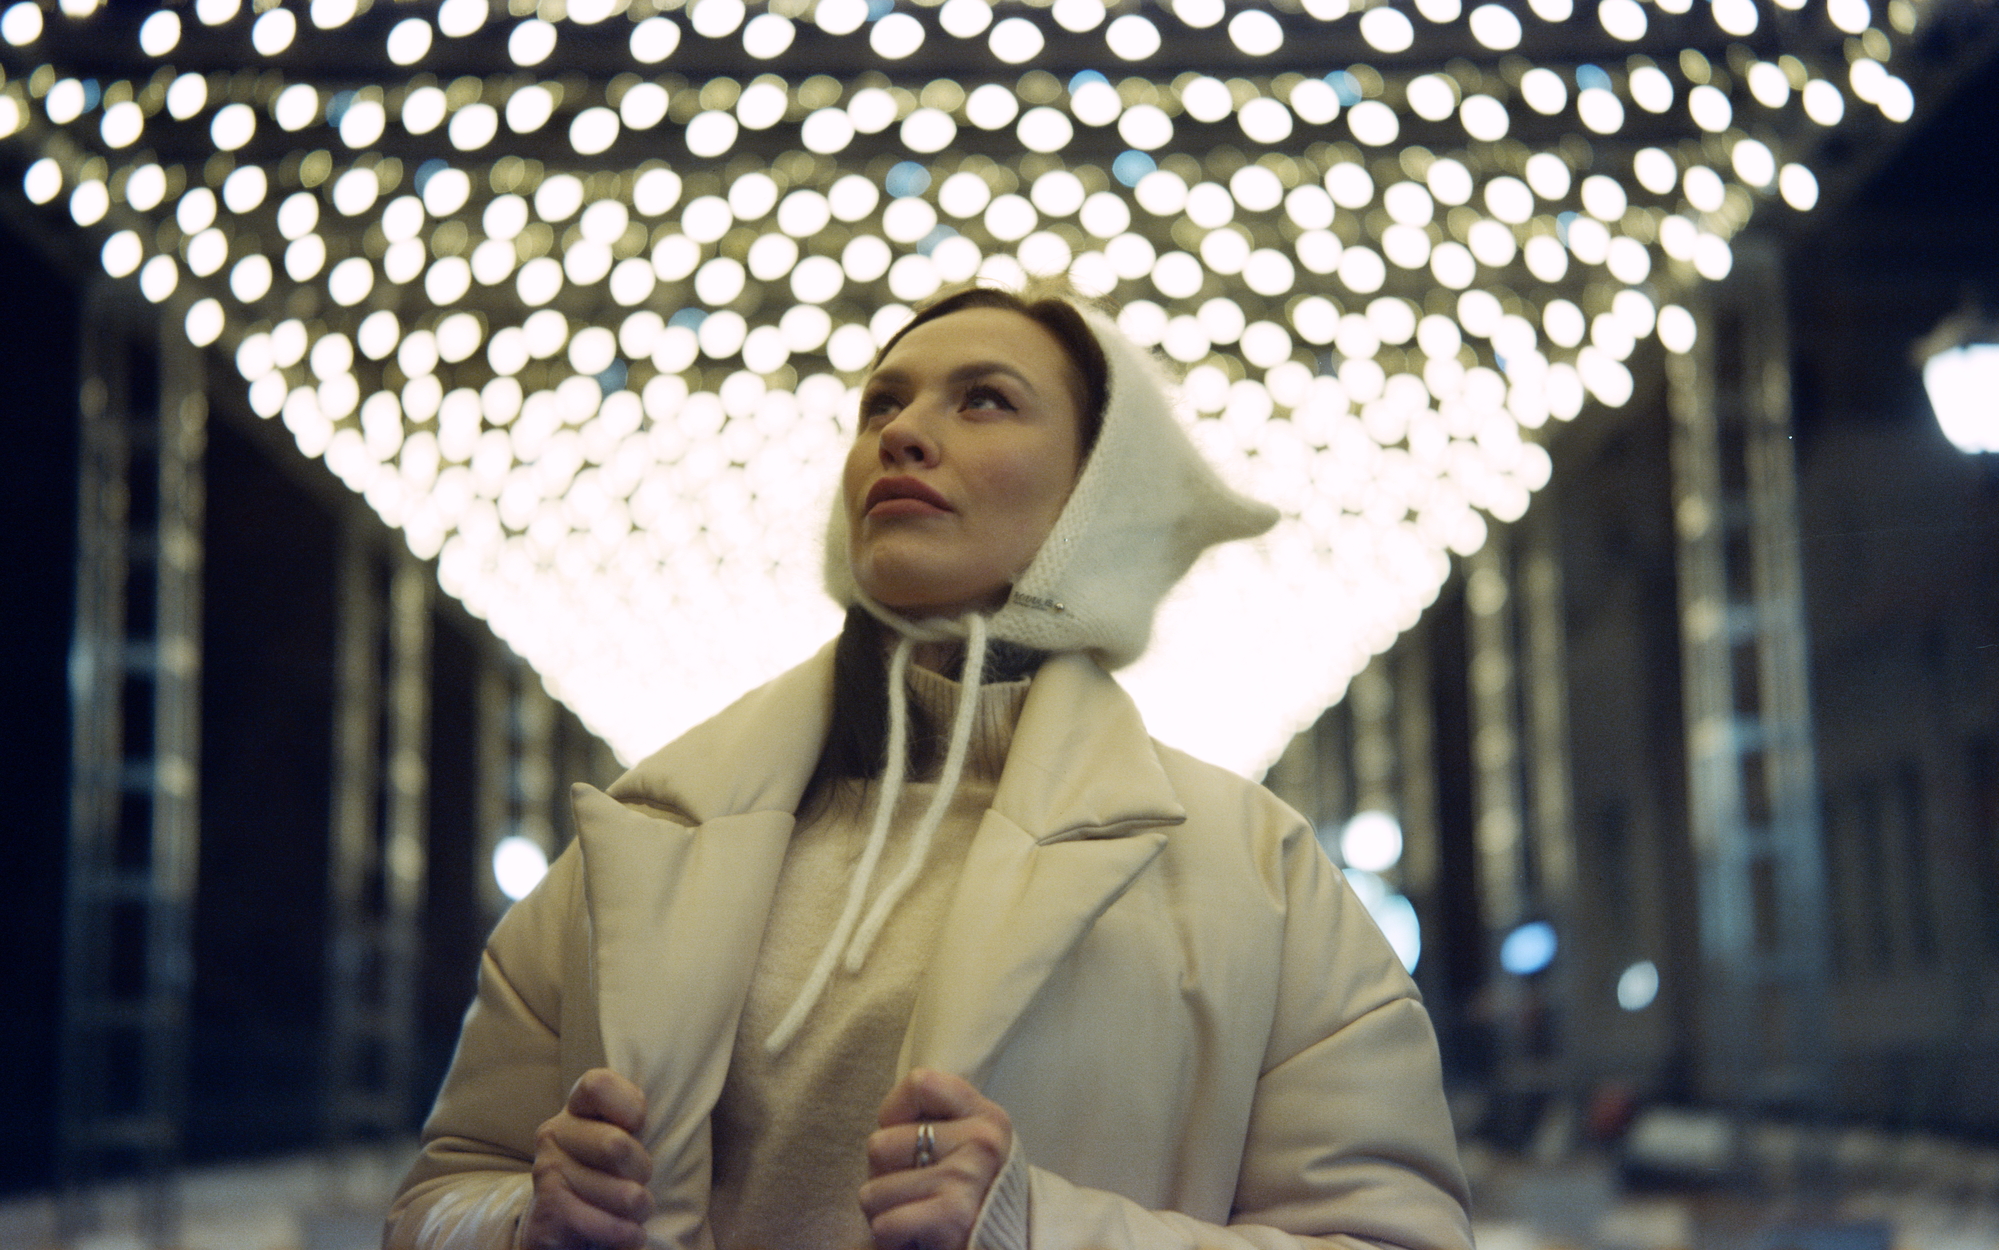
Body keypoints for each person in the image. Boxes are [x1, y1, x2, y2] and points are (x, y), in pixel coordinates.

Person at [385, 284, 1474, 1250]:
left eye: (983, 399)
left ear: (1099, 494)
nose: (903, 432)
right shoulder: (637, 843)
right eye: (881, 404)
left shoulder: (1257, 875)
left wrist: (1036, 1228)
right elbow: (439, 1192)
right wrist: (524, 1219)